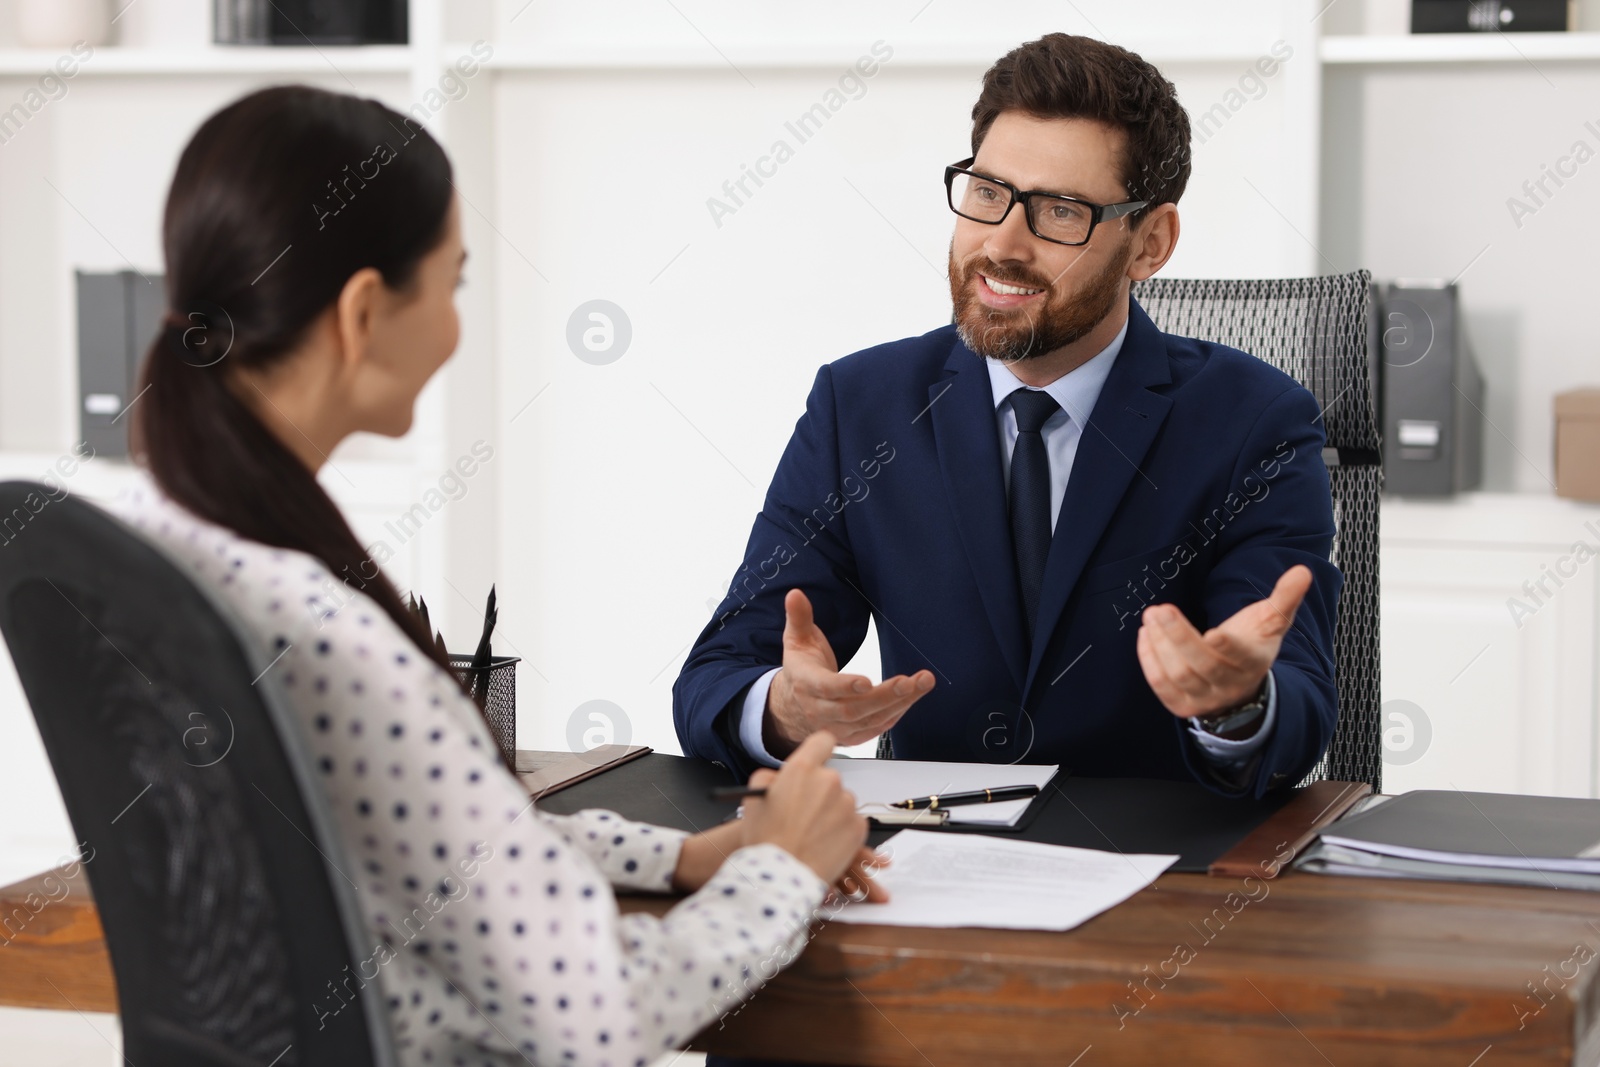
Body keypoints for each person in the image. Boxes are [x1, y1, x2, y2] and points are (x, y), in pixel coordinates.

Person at [115, 84, 882, 1067]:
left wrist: (692, 854)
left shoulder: (175, 557)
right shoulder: (334, 644)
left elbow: (448, 850)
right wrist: (779, 866)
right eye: (454, 283)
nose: (455, 325)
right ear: (363, 310)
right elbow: (600, 1011)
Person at [675, 33, 1343, 800]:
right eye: (988, 193)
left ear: (1149, 244)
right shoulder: (861, 406)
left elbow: (1298, 710)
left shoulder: (1256, 423)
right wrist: (784, 709)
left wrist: (1235, 705)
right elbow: (716, 677)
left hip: (1157, 884)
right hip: (925, 871)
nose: (1002, 243)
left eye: (1061, 211)